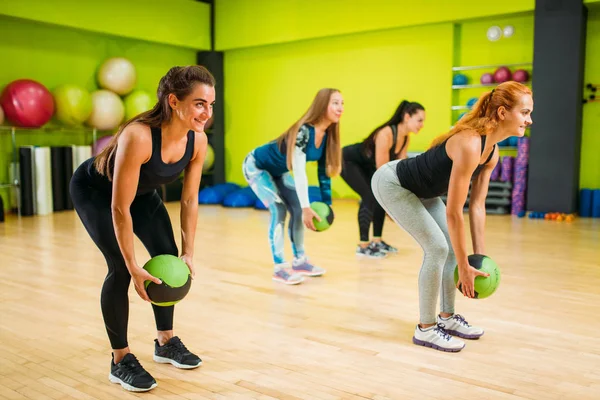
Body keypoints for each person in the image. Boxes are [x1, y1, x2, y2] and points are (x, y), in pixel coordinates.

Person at [70, 65, 215, 391]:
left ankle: (165, 342)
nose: (206, 113)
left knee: (168, 258)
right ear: (174, 101)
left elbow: (190, 201)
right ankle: (120, 360)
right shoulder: (139, 136)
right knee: (121, 269)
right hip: (97, 193)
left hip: (141, 194)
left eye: (210, 105)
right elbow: (119, 208)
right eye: (199, 104)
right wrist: (134, 265)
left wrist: (188, 252)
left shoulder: (197, 141)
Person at [371, 81, 533, 352]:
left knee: (448, 249)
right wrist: (463, 265)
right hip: (392, 182)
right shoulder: (470, 144)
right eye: (525, 112)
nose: (529, 120)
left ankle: (446, 318)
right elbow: (454, 212)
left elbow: (477, 207)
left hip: (423, 191)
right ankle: (426, 328)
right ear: (503, 113)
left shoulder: (491, 153)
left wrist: (478, 260)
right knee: (437, 247)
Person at [243, 88, 343, 285]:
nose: (340, 108)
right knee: (279, 210)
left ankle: (300, 261)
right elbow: (300, 172)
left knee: (297, 209)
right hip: (257, 166)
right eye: (335, 103)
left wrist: (327, 205)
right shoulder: (303, 131)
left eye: (342, 103)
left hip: (279, 171)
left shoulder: (327, 136)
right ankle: (280, 268)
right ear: (323, 105)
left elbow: (324, 174)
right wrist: (307, 208)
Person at [340, 101, 425, 258]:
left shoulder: (405, 138)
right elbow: (383, 172)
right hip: (347, 161)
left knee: (380, 196)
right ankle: (363, 245)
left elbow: (399, 171)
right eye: (420, 120)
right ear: (407, 117)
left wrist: (402, 199)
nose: (422, 125)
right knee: (370, 196)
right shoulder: (385, 134)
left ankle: (377, 241)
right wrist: (390, 207)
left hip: (366, 166)